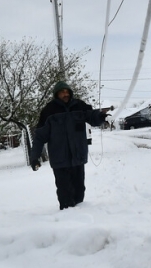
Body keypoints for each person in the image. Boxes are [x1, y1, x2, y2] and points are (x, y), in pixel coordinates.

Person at [30, 81, 107, 210]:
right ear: (56, 94)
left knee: (79, 192)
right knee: (65, 194)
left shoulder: (79, 106)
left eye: (67, 91)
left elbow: (93, 117)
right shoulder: (49, 111)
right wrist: (34, 157)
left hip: (78, 157)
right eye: (62, 92)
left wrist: (101, 116)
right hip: (60, 160)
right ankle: (67, 224)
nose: (65, 94)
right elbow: (40, 137)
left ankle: (81, 223)